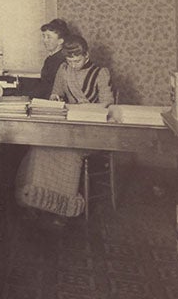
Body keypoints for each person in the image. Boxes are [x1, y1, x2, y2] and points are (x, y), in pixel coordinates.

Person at [15, 35, 115, 228]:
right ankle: (38, 202)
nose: (73, 64)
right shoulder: (63, 69)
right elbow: (57, 92)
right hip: (67, 128)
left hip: (90, 131)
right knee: (39, 148)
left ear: (86, 56)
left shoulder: (100, 73)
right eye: (69, 60)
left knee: (67, 153)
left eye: (77, 60)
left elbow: (108, 103)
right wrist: (55, 97)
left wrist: (86, 109)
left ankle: (62, 208)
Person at [35, 18, 70, 99]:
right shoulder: (50, 59)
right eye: (43, 36)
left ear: (60, 41)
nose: (44, 40)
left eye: (49, 37)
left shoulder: (63, 61)